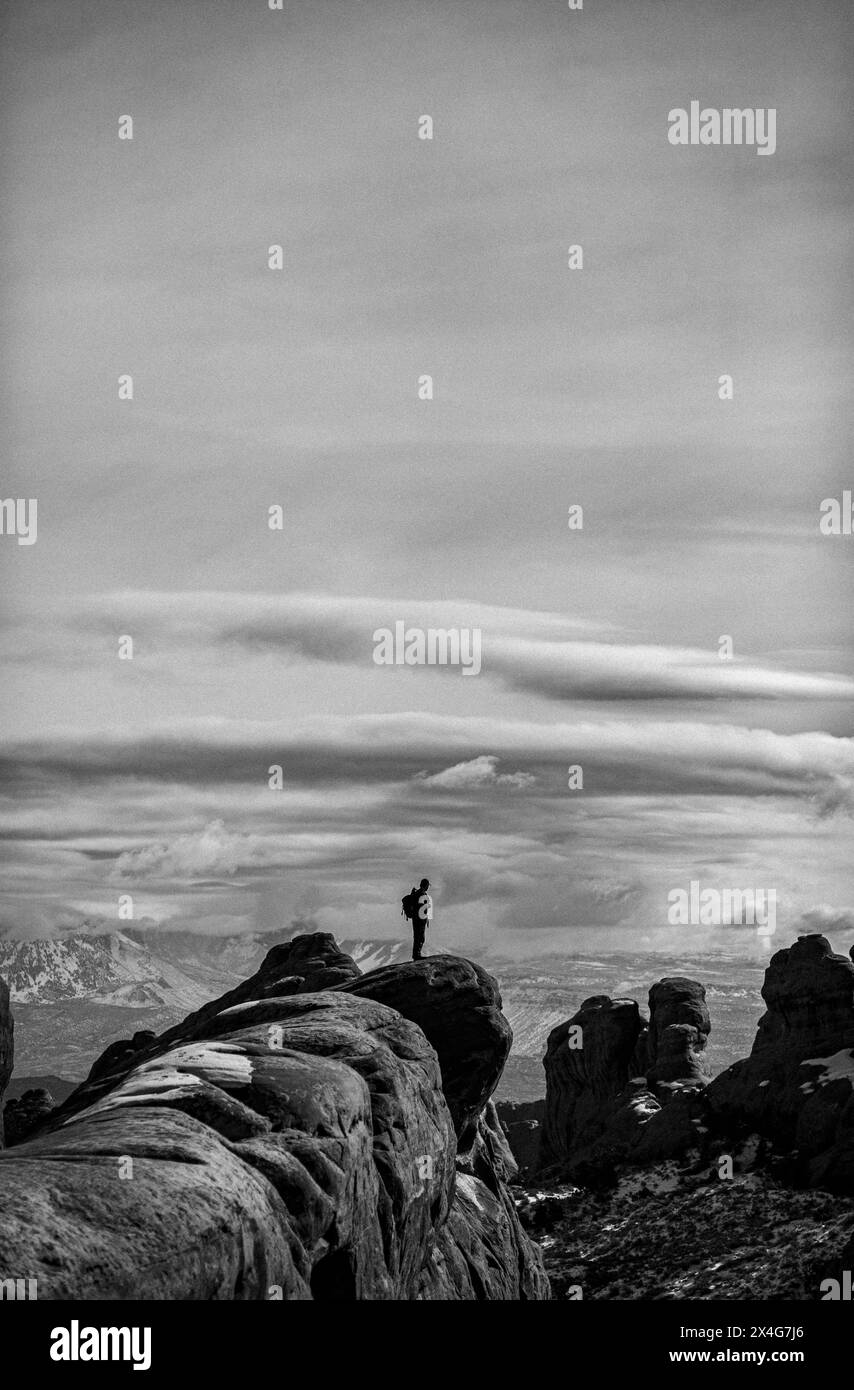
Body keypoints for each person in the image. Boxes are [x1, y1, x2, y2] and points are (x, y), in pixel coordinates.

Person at [402, 877, 432, 960]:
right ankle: (417, 954)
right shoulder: (422, 894)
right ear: (425, 885)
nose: (428, 887)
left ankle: (416, 954)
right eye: (427, 886)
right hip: (420, 919)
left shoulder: (416, 893)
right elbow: (423, 908)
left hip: (415, 918)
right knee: (420, 937)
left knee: (417, 936)